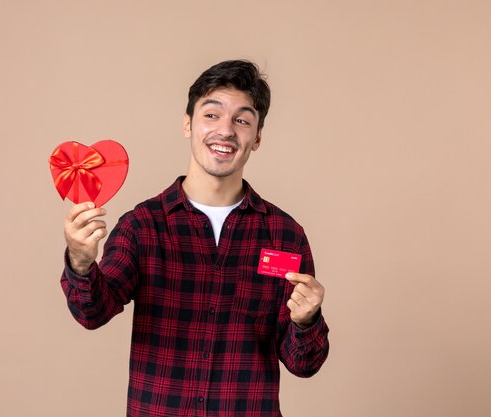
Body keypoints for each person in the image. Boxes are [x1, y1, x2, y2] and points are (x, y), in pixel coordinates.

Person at [60, 60, 329, 417]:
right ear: (188, 124)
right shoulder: (143, 226)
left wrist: (306, 320)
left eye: (242, 120)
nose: (226, 131)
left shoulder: (285, 236)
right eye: (212, 115)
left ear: (258, 138)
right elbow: (92, 312)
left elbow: (303, 364)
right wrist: (80, 260)